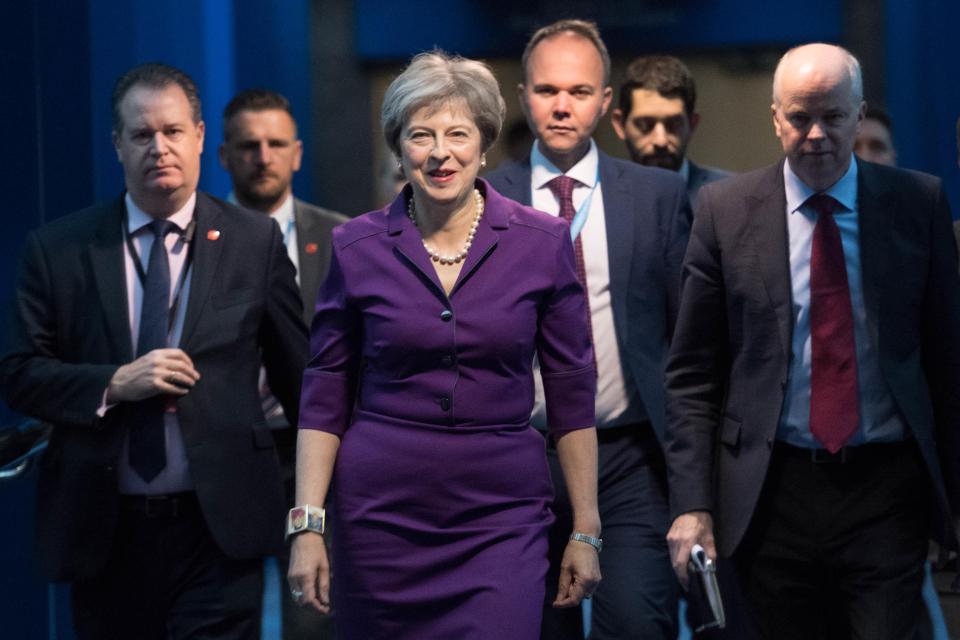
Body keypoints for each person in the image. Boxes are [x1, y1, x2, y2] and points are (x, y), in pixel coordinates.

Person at [286, 51, 601, 639]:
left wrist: (585, 529)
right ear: (398, 146)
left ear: (483, 143)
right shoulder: (355, 247)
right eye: (420, 135)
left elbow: (571, 392)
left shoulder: (542, 243)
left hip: (501, 516)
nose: (439, 152)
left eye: (457, 133)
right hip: (380, 516)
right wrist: (307, 524)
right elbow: (324, 391)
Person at [0, 63, 307, 639]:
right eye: (142, 135)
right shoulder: (60, 250)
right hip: (104, 530)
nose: (159, 148)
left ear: (197, 138)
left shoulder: (253, 242)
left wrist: (316, 514)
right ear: (118, 145)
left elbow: (303, 384)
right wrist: (114, 383)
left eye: (171, 132)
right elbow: (20, 375)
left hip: (219, 528)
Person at [664, 43, 960, 640]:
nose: (817, 134)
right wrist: (692, 505)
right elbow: (694, 375)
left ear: (859, 114)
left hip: (885, 486)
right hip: (771, 490)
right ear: (775, 118)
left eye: (833, 116)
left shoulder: (916, 203)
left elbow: (948, 361)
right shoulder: (724, 211)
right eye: (800, 117)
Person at [487, 19, 691, 640]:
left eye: (579, 91)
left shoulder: (656, 196)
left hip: (628, 456)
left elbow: (688, 345)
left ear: (606, 103)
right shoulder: (484, 200)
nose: (561, 105)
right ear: (522, 96)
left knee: (637, 622)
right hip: (520, 458)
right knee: (536, 629)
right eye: (547, 90)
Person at [219, 88, 346, 640]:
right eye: (249, 145)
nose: (263, 157)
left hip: (317, 455)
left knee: (315, 620)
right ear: (224, 156)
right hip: (227, 455)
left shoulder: (342, 239)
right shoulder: (197, 237)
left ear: (297, 153)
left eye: (275, 144)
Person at [611, 54, 730, 208]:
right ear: (620, 124)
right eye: (645, 125)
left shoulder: (730, 197)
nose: (661, 140)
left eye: (673, 124)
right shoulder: (601, 200)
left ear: (692, 125)